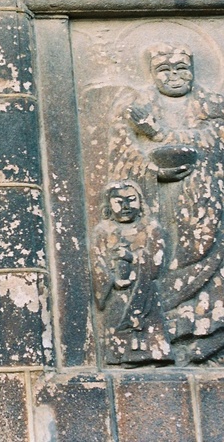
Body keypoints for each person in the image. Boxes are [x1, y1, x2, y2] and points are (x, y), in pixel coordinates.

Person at [107, 44, 224, 362]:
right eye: (165, 70)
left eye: (181, 68)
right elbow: (121, 154)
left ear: (192, 71)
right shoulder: (137, 106)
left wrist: (159, 134)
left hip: (206, 204)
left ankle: (209, 343)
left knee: (211, 266)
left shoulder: (213, 105)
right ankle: (161, 338)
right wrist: (151, 167)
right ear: (154, 73)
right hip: (158, 201)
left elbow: (216, 140)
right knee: (157, 263)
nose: (174, 76)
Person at [92, 181, 173, 366]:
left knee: (149, 329)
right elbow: (98, 262)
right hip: (118, 294)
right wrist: (112, 280)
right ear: (109, 205)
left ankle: (153, 356)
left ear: (141, 202)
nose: (126, 206)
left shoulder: (151, 228)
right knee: (117, 329)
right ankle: (118, 356)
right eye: (118, 201)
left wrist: (132, 257)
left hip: (145, 294)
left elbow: (156, 264)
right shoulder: (102, 231)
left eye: (131, 200)